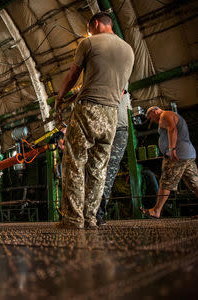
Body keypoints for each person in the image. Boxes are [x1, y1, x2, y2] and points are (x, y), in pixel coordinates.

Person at [55, 12, 134, 228]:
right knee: (99, 168)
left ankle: (73, 219)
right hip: (112, 115)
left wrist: (60, 98)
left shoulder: (88, 42)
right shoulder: (129, 50)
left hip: (88, 109)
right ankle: (90, 218)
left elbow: (73, 75)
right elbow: (120, 90)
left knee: (74, 162)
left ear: (96, 24)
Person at [140, 106, 198, 218]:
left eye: (150, 117)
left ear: (154, 110)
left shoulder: (165, 115)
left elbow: (172, 129)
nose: (151, 120)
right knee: (195, 183)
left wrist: (172, 149)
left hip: (178, 156)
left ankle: (156, 211)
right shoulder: (169, 116)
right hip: (187, 154)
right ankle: (156, 210)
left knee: (166, 182)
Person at [96, 85, 131, 226]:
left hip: (118, 129)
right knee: (97, 171)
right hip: (102, 129)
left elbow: (118, 94)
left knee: (108, 173)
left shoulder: (121, 72)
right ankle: (92, 213)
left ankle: (98, 213)